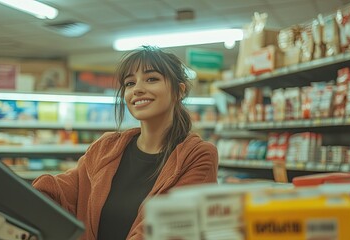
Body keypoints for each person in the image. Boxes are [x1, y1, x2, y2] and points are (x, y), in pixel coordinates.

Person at [32, 46, 219, 240]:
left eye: (152, 79)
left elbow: (164, 231)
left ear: (179, 91)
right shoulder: (106, 148)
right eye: (130, 83)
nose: (137, 89)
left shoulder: (197, 155)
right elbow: (61, 191)